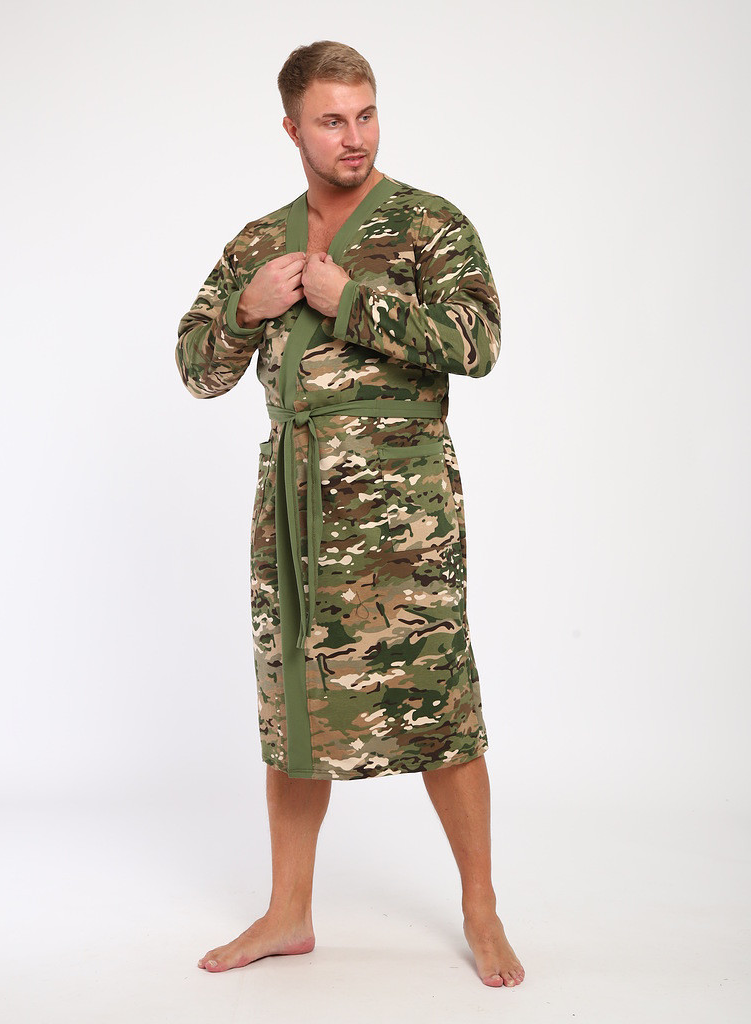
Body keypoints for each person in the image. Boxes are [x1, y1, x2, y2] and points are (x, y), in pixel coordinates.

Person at [175, 39, 524, 989]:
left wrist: (351, 300)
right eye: (331, 120)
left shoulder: (428, 224)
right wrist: (245, 311)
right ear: (291, 128)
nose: (354, 136)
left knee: (436, 700)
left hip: (403, 511)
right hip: (292, 511)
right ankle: (288, 911)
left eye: (365, 114)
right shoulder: (259, 240)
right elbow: (196, 370)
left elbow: (478, 344)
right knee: (294, 705)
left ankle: (480, 908)